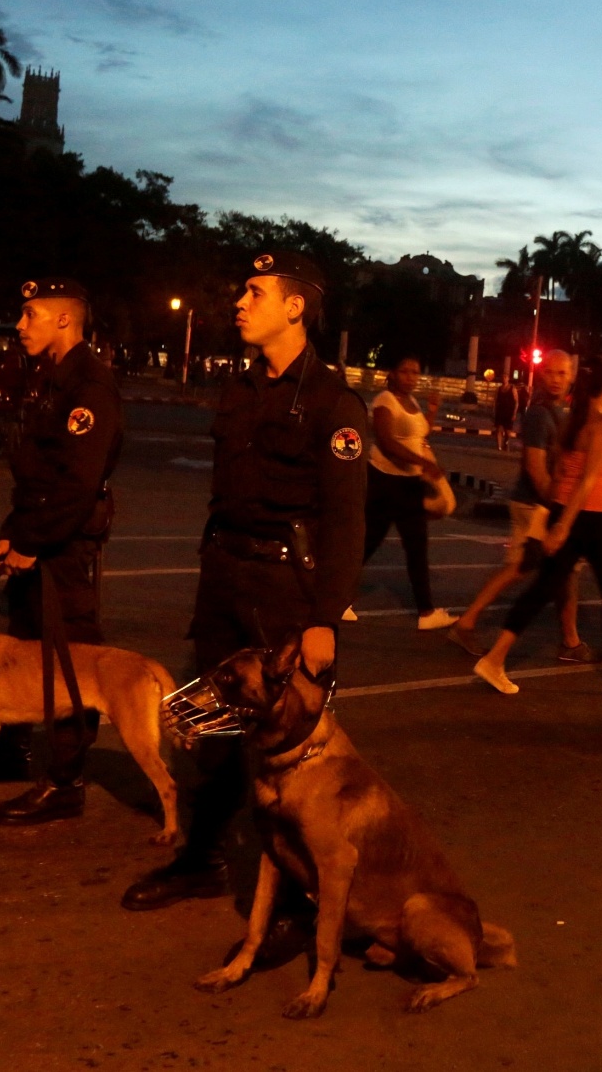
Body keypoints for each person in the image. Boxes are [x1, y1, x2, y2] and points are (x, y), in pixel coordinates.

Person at [124, 251, 368, 913]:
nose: (240, 302)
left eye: (255, 293)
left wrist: (323, 618)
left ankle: (294, 896)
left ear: (295, 306)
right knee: (212, 730)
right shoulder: (240, 387)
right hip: (225, 576)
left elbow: (346, 521)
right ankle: (200, 859)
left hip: (285, 588)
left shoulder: (331, 401)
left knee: (287, 751)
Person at [0, 278, 125, 824]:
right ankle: (12, 747)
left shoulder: (90, 386)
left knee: (70, 662)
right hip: (38, 529)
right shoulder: (48, 377)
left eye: (30, 314)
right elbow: (37, 471)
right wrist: (11, 535)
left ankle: (66, 781)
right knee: (22, 647)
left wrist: (32, 545)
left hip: (64, 542)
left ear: (65, 319)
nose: (20, 325)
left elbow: (76, 483)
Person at [474, 356, 602, 697]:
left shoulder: (574, 422)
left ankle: (494, 659)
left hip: (566, 512)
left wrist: (550, 516)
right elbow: (586, 481)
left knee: (542, 588)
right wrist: (560, 527)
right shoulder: (601, 425)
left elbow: (561, 475)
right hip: (598, 518)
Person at [452, 350, 588, 659]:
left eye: (562, 374)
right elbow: (535, 466)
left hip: (544, 504)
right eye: (551, 373)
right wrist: (554, 506)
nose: (556, 379)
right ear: (542, 375)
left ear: (571, 378)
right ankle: (466, 623)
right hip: (534, 504)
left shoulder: (560, 412)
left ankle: (571, 641)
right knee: (520, 568)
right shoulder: (540, 414)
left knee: (565, 573)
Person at [361, 354, 454, 630]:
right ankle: (332, 597)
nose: (411, 377)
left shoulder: (412, 402)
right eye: (405, 372)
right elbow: (387, 442)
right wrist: (423, 462)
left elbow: (419, 436)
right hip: (385, 483)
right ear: (393, 373)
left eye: (415, 372)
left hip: (410, 484)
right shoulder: (384, 402)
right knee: (367, 543)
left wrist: (433, 411)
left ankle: (426, 612)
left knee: (417, 547)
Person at [493, 375, 521, 452]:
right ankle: (499, 446)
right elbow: (495, 400)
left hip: (509, 412)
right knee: (499, 429)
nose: (504, 379)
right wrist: (494, 410)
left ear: (508, 379)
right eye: (503, 377)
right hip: (500, 411)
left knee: (507, 431)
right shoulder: (498, 389)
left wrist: (514, 413)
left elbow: (516, 402)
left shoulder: (512, 388)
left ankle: (506, 442)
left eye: (505, 377)